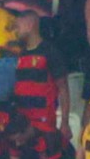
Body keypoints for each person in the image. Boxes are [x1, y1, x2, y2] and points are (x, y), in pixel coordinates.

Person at [13, 10, 70, 140]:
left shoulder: (50, 52)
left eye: (18, 26)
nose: (15, 31)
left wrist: (65, 123)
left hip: (44, 123)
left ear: (30, 25)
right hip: (23, 121)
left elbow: (63, 88)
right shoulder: (21, 54)